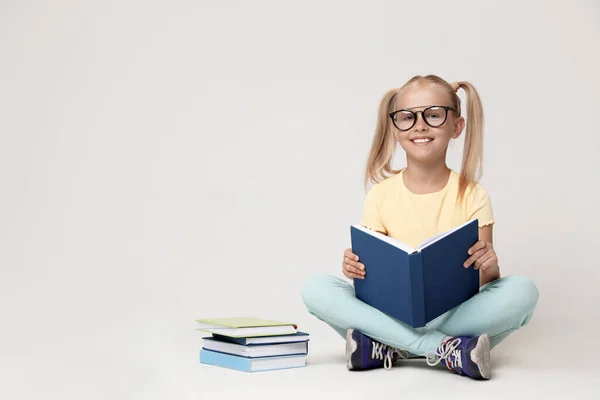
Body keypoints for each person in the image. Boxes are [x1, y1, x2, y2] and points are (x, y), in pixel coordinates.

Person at [300, 75, 539, 380]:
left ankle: (389, 347)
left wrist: (490, 265)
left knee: (522, 292)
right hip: (391, 314)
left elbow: (485, 281)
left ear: (457, 126)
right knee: (316, 288)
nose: (420, 126)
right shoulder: (381, 195)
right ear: (395, 128)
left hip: (454, 314)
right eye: (407, 117)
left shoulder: (473, 194)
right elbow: (371, 282)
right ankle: (443, 350)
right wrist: (354, 268)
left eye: (434, 115)